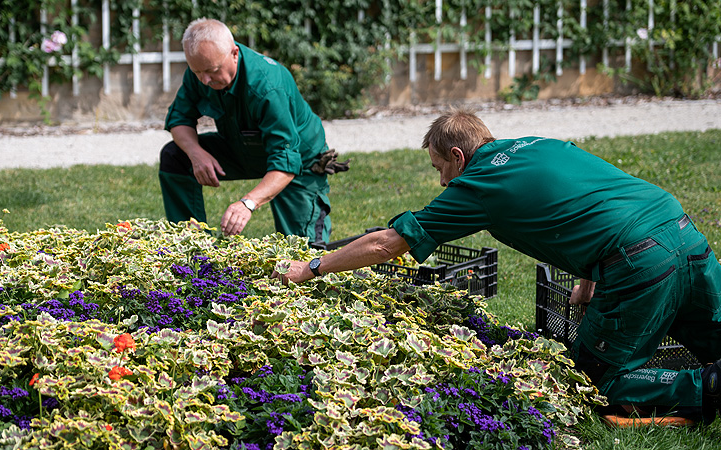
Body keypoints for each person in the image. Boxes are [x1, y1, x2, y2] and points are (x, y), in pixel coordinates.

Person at [272, 109, 721, 424]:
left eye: (439, 168)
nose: (441, 182)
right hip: (681, 229)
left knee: (597, 385)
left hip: (637, 260)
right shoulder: (541, 144)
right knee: (713, 332)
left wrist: (311, 267)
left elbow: (388, 243)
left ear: (458, 157)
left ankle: (709, 388)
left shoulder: (478, 184)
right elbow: (592, 201)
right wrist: (586, 282)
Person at [159, 18, 347, 242]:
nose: (205, 80)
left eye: (212, 71)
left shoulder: (268, 87)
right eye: (198, 72)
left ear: (234, 53)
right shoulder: (200, 71)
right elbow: (179, 119)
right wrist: (196, 153)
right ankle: (192, 248)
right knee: (175, 156)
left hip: (298, 162)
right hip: (243, 147)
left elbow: (285, 160)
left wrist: (247, 203)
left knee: (304, 255)